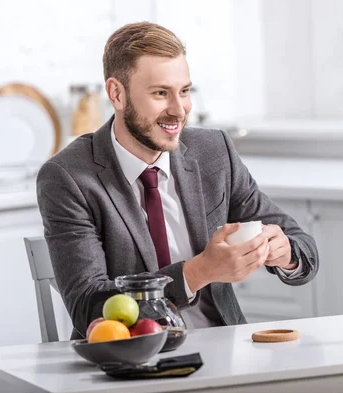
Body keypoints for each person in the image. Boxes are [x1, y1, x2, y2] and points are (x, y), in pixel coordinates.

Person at [36, 21, 319, 339]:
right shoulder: (68, 178)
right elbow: (89, 306)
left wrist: (285, 253)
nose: (179, 110)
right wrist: (199, 272)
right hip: (130, 363)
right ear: (117, 94)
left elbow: (304, 249)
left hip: (226, 352)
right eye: (160, 93)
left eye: (184, 91)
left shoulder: (213, 151)